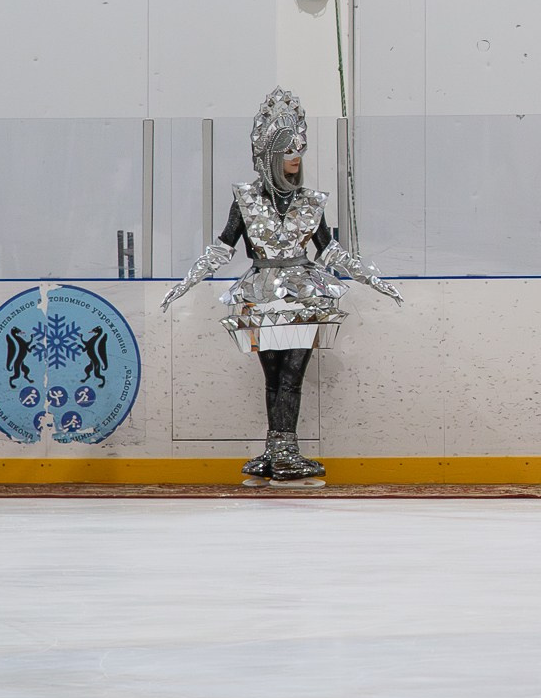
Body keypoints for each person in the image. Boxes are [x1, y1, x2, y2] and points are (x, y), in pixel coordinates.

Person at [160, 86, 403, 482]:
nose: (295, 157)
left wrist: (373, 279)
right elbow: (223, 247)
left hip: (304, 296)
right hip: (259, 296)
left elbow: (330, 251)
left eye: (299, 150)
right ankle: (278, 453)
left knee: (292, 375)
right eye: (288, 150)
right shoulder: (246, 200)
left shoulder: (310, 202)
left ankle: (285, 451)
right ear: (271, 155)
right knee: (273, 377)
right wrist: (185, 283)